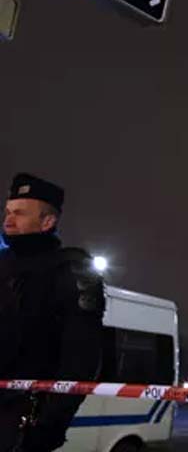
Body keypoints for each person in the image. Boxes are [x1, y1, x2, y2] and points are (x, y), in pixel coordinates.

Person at [0, 173, 105, 452]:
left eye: (20, 214)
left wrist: (47, 425)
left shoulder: (71, 270)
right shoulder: (3, 266)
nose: (8, 220)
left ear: (48, 221)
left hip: (24, 422)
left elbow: (82, 358)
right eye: (7, 212)